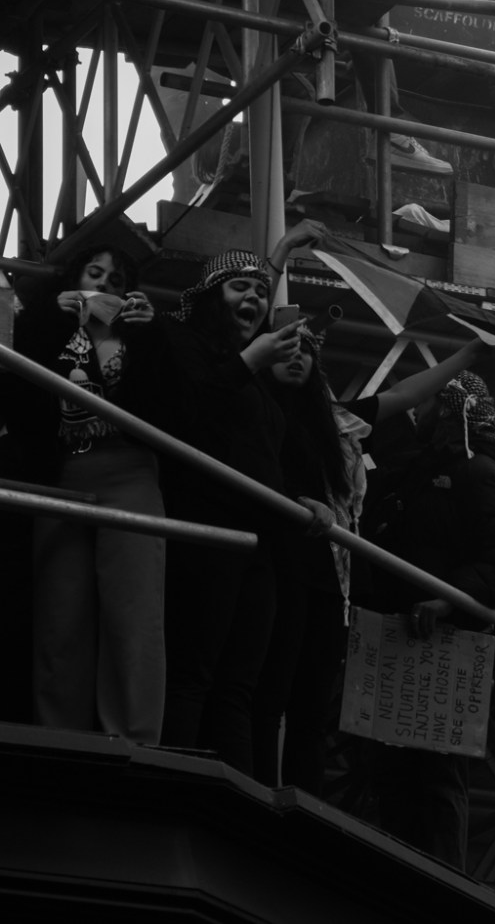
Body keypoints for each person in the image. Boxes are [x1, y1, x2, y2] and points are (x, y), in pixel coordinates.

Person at [256, 333, 495, 793]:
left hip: (332, 579)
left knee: (310, 708)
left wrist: (468, 353)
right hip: (280, 567)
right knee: (271, 694)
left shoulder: (336, 422)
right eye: (284, 348)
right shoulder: (256, 411)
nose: (296, 356)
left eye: (305, 349)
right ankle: (260, 794)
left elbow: (405, 393)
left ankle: (300, 806)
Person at [346, 369, 495, 869]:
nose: (415, 409)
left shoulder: (478, 473)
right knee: (393, 775)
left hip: (450, 646)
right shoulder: (419, 472)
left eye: (428, 403)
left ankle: (440, 888)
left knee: (436, 777)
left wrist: (448, 600)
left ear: (448, 409)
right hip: (402, 640)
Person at [10, 237, 173, 744]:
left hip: (128, 472)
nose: (103, 286)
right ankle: (58, 736)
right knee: (61, 615)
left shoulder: (141, 337)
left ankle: (133, 738)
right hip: (62, 474)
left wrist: (153, 334)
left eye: (116, 281)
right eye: (94, 274)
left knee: (134, 614)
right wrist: (47, 317)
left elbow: (172, 407)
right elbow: (18, 394)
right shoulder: (45, 325)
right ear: (74, 280)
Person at [153, 247, 307, 774]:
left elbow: (258, 453)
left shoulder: (258, 380)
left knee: (238, 686)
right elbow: (189, 414)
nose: (256, 298)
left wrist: (294, 499)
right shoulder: (182, 341)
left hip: (258, 539)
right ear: (210, 296)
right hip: (208, 527)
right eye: (241, 287)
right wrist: (249, 362)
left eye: (262, 292)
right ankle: (178, 784)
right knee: (193, 673)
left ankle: (237, 803)